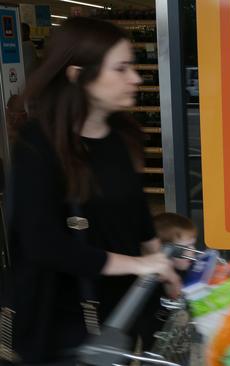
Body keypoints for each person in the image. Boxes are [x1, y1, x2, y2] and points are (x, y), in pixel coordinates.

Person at [6, 17, 180, 364]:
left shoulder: (121, 136)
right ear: (77, 75)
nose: (135, 78)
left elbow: (137, 216)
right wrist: (139, 264)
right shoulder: (38, 146)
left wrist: (163, 268)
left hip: (119, 316)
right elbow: (43, 244)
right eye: (121, 68)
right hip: (61, 324)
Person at [136, 212, 198, 351]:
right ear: (165, 251)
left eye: (193, 245)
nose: (192, 251)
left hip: (177, 337)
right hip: (155, 338)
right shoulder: (151, 279)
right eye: (186, 248)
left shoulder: (185, 268)